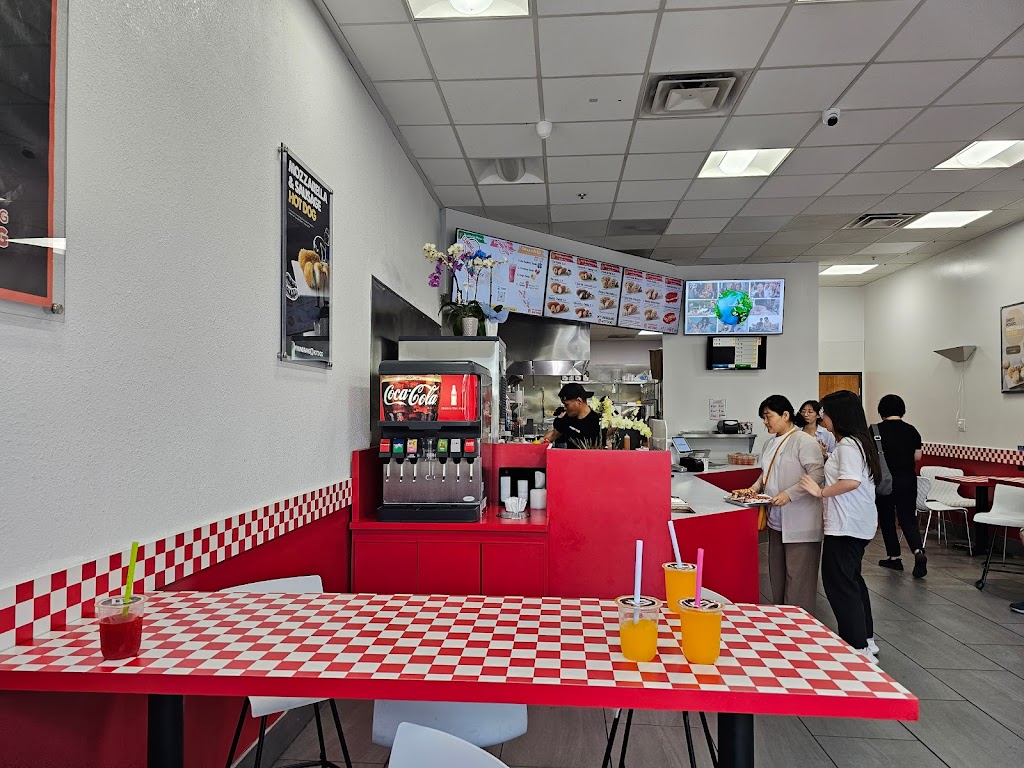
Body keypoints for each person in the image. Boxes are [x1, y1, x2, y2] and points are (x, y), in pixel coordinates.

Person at [799, 390, 880, 657]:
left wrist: (819, 491)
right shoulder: (858, 442)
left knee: (840, 584)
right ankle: (865, 638)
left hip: (846, 525)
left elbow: (851, 481)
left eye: (825, 413)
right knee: (851, 580)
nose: (822, 417)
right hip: (856, 523)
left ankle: (857, 647)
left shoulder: (848, 446)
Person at [740, 395, 825, 612]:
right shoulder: (770, 443)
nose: (765, 422)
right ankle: (780, 618)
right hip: (776, 520)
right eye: (763, 417)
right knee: (777, 576)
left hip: (800, 521)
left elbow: (817, 474)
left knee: (799, 579)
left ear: (785, 415)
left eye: (768, 416)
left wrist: (789, 494)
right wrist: (754, 488)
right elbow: (766, 473)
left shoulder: (803, 441)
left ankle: (800, 623)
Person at [874, 394, 927, 578]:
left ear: (881, 411)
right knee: (908, 518)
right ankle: (918, 551)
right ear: (902, 410)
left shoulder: (875, 430)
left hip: (885, 482)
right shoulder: (912, 430)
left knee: (887, 518)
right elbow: (917, 456)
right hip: (908, 480)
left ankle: (894, 557)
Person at [542, 383, 602, 449]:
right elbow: (553, 434)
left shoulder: (597, 422)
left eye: (566, 405)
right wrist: (538, 443)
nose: (565, 408)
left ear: (579, 401)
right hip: (569, 455)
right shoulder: (568, 417)